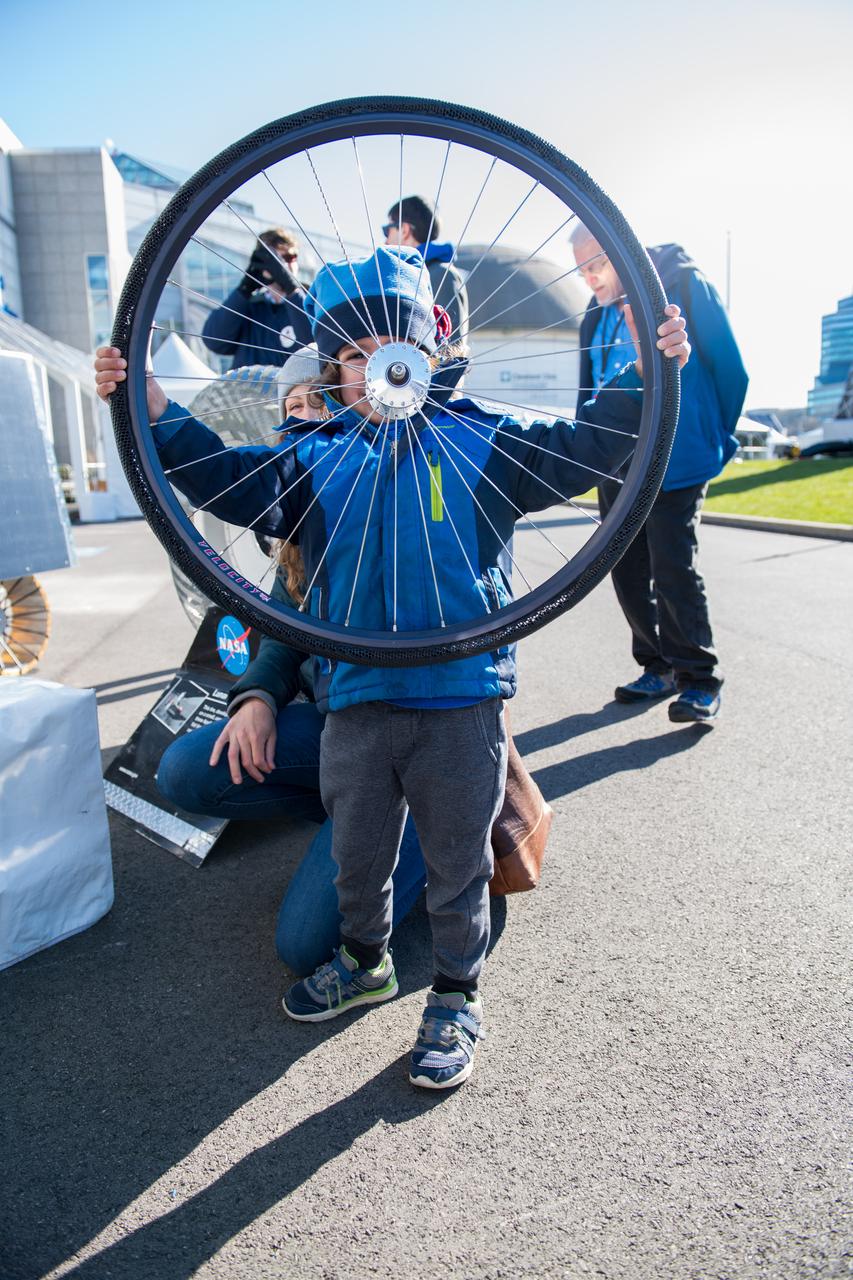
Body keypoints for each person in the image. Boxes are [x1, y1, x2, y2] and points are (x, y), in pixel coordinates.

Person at [95, 248, 688, 1089]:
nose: (375, 364)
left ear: (429, 349)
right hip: (359, 707)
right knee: (358, 866)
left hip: (460, 703)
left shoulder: (481, 441)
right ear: (335, 372)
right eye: (350, 353)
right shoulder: (317, 460)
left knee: (456, 868)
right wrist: (149, 406)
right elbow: (228, 481)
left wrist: (645, 368)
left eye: (392, 342)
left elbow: (593, 446)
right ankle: (367, 961)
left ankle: (455, 994)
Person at [153, 346, 427, 976]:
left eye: (314, 402)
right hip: (345, 736)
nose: (299, 419)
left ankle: (435, 845)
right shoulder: (301, 524)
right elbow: (284, 632)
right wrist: (256, 699)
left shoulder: (395, 488)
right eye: (290, 409)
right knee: (188, 769)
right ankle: (347, 812)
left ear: (351, 404)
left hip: (421, 749)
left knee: (304, 948)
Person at [572, 226, 747, 724]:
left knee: (673, 567)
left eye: (592, 266)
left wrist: (714, 435)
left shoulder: (685, 284)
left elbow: (731, 370)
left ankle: (699, 678)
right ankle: (657, 666)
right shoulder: (593, 313)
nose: (587, 279)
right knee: (625, 569)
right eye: (580, 269)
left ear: (619, 252)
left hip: (678, 455)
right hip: (618, 460)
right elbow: (589, 385)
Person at [202, 227, 314, 369]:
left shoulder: (313, 302)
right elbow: (214, 341)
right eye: (276, 261)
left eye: (290, 258)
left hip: (297, 390)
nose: (284, 266)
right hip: (248, 390)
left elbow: (317, 345)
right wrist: (244, 289)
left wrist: (290, 288)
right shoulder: (249, 306)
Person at [384, 195, 468, 342]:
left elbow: (452, 350)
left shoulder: (440, 274)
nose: (385, 240)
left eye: (387, 230)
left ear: (404, 229)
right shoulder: (407, 277)